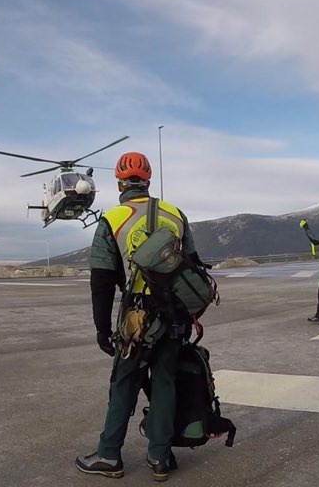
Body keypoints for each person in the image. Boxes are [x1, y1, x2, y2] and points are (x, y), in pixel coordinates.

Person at [76, 151, 199, 482]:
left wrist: (102, 330)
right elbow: (193, 266)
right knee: (165, 381)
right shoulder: (175, 214)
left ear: (119, 181)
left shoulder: (112, 219)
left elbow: (101, 281)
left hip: (136, 318)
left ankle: (108, 455)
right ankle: (160, 457)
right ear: (148, 179)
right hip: (174, 315)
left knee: (123, 383)